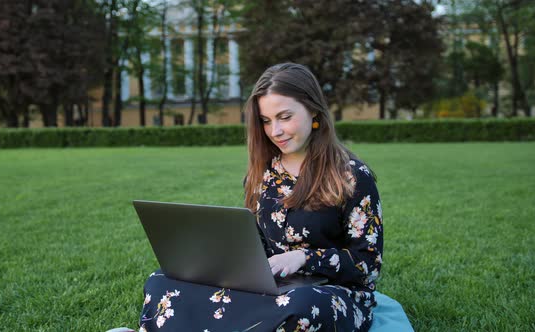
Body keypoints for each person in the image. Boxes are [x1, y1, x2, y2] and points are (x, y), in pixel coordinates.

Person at [138, 63, 383, 332]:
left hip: (329, 292)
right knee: (161, 280)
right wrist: (223, 262)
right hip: (269, 287)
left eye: (285, 116)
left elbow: (368, 265)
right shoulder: (262, 175)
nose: (274, 130)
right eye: (266, 120)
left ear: (313, 110)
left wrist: (304, 258)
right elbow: (258, 246)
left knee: (302, 307)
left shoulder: (352, 176)